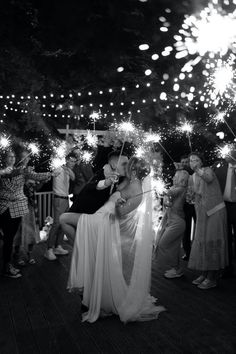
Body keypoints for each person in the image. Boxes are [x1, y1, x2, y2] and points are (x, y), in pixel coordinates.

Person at [66, 157, 165, 323]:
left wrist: (119, 204)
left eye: (128, 165)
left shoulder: (137, 189)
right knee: (99, 261)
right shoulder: (128, 182)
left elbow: (122, 213)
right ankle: (91, 289)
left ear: (134, 170)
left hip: (105, 222)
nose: (125, 167)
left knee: (64, 219)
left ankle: (81, 249)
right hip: (101, 216)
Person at [0, 149, 54, 278]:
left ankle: (8, 264)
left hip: (19, 207)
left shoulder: (23, 170)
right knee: (7, 239)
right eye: (9, 156)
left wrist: (51, 173)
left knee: (11, 237)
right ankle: (7, 264)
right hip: (3, 208)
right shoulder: (2, 171)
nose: (12, 158)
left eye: (13, 156)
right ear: (4, 159)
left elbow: (36, 176)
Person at [60, 152, 128, 240]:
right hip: (83, 213)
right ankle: (78, 247)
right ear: (114, 165)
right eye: (124, 164)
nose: (127, 167)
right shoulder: (102, 174)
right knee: (63, 220)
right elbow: (94, 186)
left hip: (99, 219)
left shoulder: (121, 178)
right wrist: (107, 182)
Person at [188, 152, 228, 289]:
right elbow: (196, 193)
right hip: (203, 213)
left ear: (201, 161)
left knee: (212, 242)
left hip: (215, 210)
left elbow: (209, 179)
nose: (192, 162)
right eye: (191, 160)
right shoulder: (192, 176)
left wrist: (198, 169)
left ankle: (212, 278)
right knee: (204, 242)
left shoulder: (207, 170)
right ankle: (205, 273)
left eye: (196, 160)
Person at [14, 150, 50, 265]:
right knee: (19, 232)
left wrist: (43, 182)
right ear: (19, 159)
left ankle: (29, 255)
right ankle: (17, 256)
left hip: (30, 205)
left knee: (31, 231)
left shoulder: (31, 172)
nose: (26, 159)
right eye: (24, 158)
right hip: (18, 206)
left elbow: (37, 188)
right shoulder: (16, 172)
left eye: (28, 158)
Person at [155, 170, 189, 278]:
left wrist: (159, 187)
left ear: (181, 179)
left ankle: (176, 268)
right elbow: (168, 200)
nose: (173, 178)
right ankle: (176, 269)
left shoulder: (181, 189)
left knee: (162, 244)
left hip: (177, 222)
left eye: (175, 176)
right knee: (174, 247)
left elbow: (169, 193)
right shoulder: (175, 188)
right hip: (173, 221)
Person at [44, 153, 76, 261]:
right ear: (66, 160)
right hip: (58, 199)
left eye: (74, 161)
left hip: (65, 199)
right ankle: (49, 250)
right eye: (71, 161)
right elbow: (52, 174)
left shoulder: (68, 171)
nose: (73, 163)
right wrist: (58, 169)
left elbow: (73, 177)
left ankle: (58, 246)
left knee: (62, 223)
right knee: (57, 223)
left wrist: (68, 169)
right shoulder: (59, 169)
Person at [213, 148, 236, 278]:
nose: (228, 154)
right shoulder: (219, 167)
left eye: (232, 152)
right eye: (228, 152)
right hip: (223, 206)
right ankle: (227, 268)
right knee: (225, 237)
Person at [175, 155, 196, 261]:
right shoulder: (179, 173)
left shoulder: (193, 172)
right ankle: (188, 252)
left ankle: (198, 252)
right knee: (186, 229)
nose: (184, 164)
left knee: (198, 228)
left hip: (196, 204)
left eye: (186, 162)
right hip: (186, 204)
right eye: (182, 162)